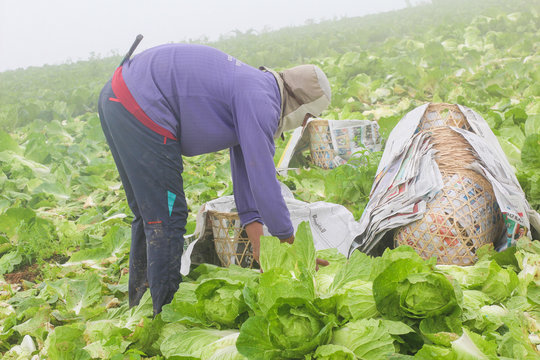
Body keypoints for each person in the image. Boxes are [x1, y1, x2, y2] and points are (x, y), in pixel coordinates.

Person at [98, 43, 331, 314]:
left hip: (117, 97)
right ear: (302, 104)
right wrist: (290, 245)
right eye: (309, 117)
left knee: (148, 212)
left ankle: (140, 305)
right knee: (167, 216)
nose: (303, 125)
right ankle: (163, 315)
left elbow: (245, 174)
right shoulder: (262, 99)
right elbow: (263, 178)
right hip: (142, 105)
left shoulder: (254, 88)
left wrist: (260, 245)